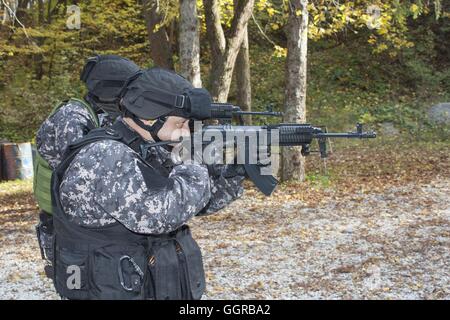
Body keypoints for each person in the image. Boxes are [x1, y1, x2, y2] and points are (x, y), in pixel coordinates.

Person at [51, 67, 244, 300]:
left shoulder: (142, 146)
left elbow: (196, 203)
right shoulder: (106, 155)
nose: (186, 132)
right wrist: (192, 159)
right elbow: (159, 217)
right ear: (150, 117)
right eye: (181, 123)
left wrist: (236, 172)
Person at [34, 55, 140, 274]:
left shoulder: (99, 115)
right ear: (111, 91)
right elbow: (82, 176)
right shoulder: (72, 119)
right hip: (67, 230)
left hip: (84, 229)